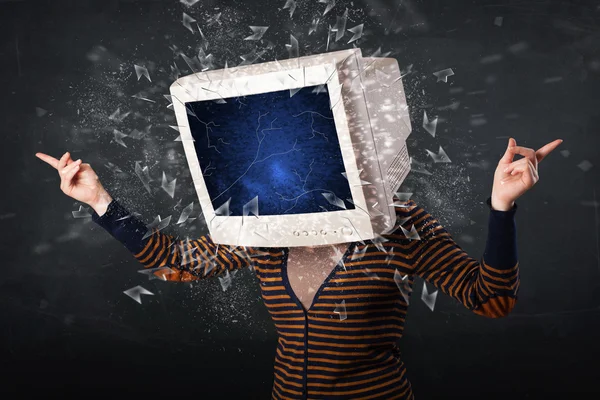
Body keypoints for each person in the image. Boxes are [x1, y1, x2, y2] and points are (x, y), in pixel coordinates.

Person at [35, 137, 562, 399]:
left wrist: (501, 206)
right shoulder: (267, 229)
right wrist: (99, 200)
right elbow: (178, 265)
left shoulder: (400, 225)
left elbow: (491, 299)